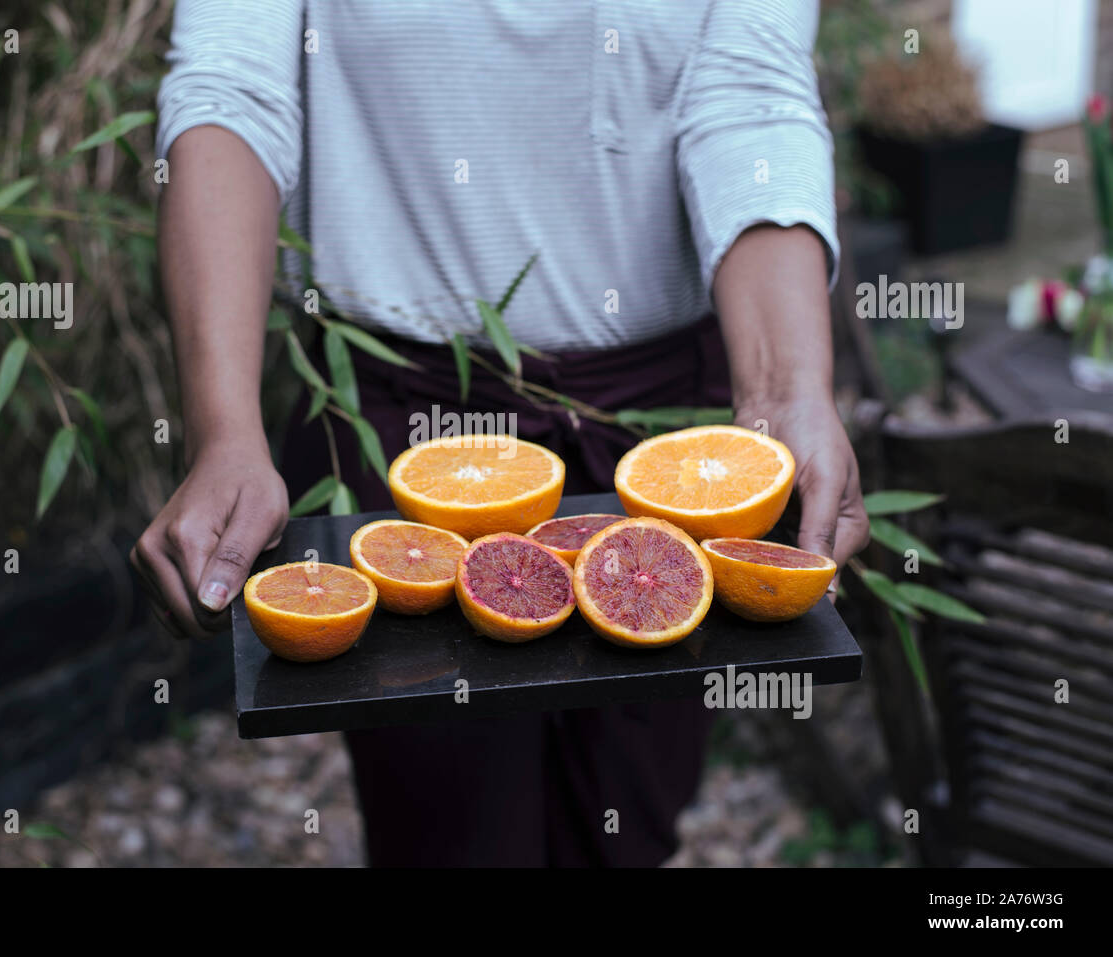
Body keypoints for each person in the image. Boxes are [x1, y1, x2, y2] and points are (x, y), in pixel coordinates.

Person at [132, 0, 869, 866]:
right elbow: (232, 87)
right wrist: (222, 431)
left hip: (663, 434)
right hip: (405, 434)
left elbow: (750, 96)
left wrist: (786, 395)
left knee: (629, 818)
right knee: (447, 829)